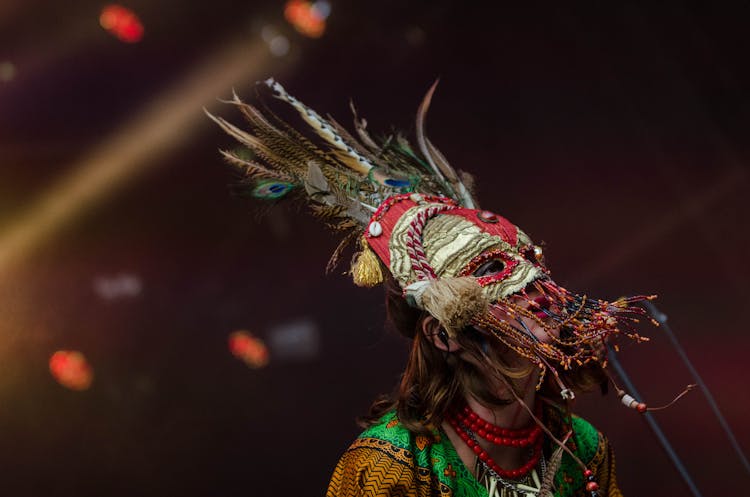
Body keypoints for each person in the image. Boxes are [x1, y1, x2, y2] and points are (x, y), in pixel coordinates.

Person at [208, 79, 653, 497]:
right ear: (444, 335)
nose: (533, 281)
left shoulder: (585, 450)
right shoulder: (389, 466)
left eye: (532, 260)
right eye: (495, 269)